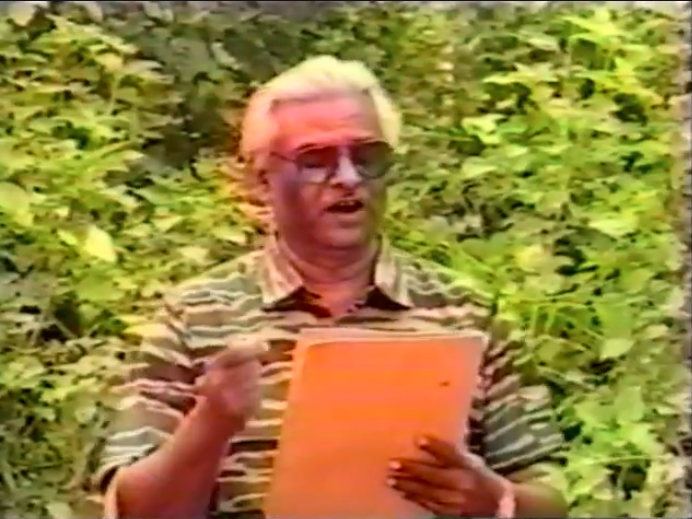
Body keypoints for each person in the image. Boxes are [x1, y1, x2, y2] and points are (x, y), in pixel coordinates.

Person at [92, 55, 569, 519]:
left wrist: (495, 501)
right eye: (316, 160)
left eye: (367, 157)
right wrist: (212, 423)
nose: (347, 178)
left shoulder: (465, 312)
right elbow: (133, 511)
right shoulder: (196, 316)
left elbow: (552, 498)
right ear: (262, 181)